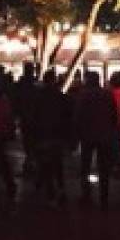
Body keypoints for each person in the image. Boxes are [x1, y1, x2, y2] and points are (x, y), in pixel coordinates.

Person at [74, 71, 118, 209]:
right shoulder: (107, 94)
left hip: (87, 134)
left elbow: (78, 115)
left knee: (85, 166)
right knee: (103, 167)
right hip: (104, 134)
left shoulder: (84, 95)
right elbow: (113, 114)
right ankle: (103, 196)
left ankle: (86, 193)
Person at [32, 69, 71, 204]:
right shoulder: (60, 96)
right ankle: (59, 188)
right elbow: (67, 116)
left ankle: (49, 189)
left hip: (44, 133)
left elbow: (35, 115)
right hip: (57, 133)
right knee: (57, 162)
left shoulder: (39, 96)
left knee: (46, 162)